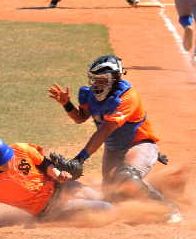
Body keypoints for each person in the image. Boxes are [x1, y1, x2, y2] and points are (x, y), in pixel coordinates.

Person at [48, 55, 182, 223]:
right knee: (113, 195)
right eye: (94, 79)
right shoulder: (88, 95)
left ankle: (168, 209)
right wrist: (66, 104)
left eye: (102, 80)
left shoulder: (127, 98)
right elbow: (81, 117)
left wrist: (79, 159)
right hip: (114, 149)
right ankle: (144, 201)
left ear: (115, 79)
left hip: (139, 144)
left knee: (126, 176)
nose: (97, 84)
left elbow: (105, 130)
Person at [0, 135, 110, 226]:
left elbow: (44, 163)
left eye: (8, 156)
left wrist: (58, 174)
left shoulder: (20, 149)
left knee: (100, 196)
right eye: (3, 162)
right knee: (105, 208)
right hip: (51, 210)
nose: (9, 161)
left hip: (61, 187)